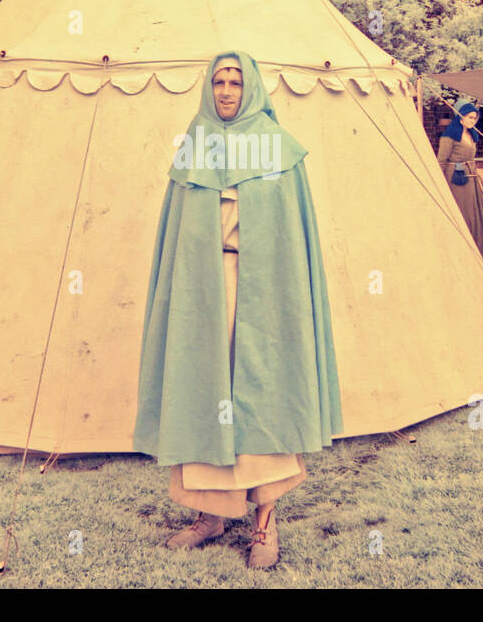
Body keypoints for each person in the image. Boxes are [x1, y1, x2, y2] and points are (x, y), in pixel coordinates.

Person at [134, 51, 342, 570]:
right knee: (203, 390)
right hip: (202, 293)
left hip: (264, 294)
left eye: (236, 82)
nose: (227, 91)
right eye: (219, 81)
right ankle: (210, 514)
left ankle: (264, 523)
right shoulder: (193, 148)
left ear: (252, 89)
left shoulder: (278, 150)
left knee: (261, 395)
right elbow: (176, 236)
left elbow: (291, 238)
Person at [437, 102, 483, 270]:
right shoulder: (448, 137)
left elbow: (472, 163)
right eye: (470, 117)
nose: (473, 120)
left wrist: (482, 184)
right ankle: (460, 258)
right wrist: (441, 187)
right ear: (461, 117)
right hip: (455, 179)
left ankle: (477, 258)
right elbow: (441, 162)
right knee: (465, 216)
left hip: (470, 179)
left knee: (476, 215)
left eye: (475, 118)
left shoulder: (472, 135)